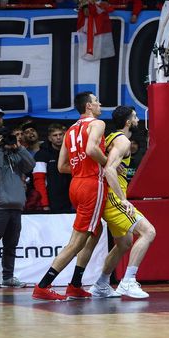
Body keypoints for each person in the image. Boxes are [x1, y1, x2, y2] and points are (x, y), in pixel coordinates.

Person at [32, 92, 108, 301]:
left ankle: (75, 284)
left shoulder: (71, 130)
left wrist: (81, 169)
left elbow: (61, 166)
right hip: (92, 184)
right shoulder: (97, 124)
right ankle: (43, 285)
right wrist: (109, 163)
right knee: (77, 242)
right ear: (89, 107)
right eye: (96, 101)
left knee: (96, 231)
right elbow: (92, 149)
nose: (99, 103)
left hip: (75, 184)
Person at [82, 105, 157, 299]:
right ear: (127, 122)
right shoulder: (122, 140)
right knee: (149, 232)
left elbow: (107, 163)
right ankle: (128, 281)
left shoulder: (111, 138)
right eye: (135, 117)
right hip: (113, 198)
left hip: (108, 196)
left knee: (124, 243)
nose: (138, 120)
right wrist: (123, 200)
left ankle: (101, 285)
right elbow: (109, 169)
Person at [0, 128, 35, 290]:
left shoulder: (15, 156)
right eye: (3, 139)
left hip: (15, 207)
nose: (6, 142)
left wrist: (19, 147)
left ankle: (8, 277)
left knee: (11, 244)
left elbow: (30, 165)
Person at [33, 123, 72, 213]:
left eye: (60, 134)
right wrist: (44, 204)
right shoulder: (41, 155)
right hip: (51, 202)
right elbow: (39, 181)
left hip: (71, 201)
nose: (58, 137)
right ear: (50, 138)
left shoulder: (71, 152)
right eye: (55, 135)